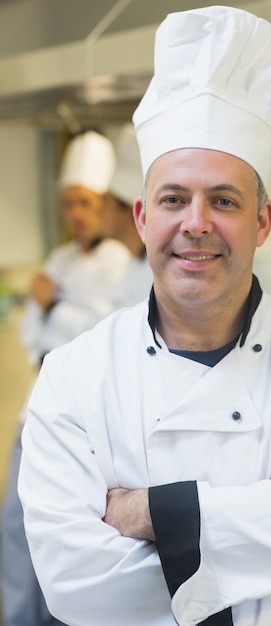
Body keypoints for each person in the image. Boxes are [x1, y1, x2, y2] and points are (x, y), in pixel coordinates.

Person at [18, 7, 271, 626]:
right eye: (173, 199)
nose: (196, 223)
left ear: (261, 222)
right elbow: (74, 585)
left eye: (224, 199)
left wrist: (146, 514)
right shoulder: (74, 376)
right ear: (142, 218)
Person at [1, 130, 130, 626]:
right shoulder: (58, 260)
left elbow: (99, 336)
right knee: (16, 525)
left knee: (72, 539)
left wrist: (52, 305)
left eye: (86, 201)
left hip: (87, 428)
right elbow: (31, 335)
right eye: (68, 203)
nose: (77, 212)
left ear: (105, 205)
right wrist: (53, 314)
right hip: (33, 415)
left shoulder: (122, 263)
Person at [101, 123, 153, 308]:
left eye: (106, 201)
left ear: (131, 210)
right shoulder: (132, 264)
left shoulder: (157, 275)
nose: (99, 208)